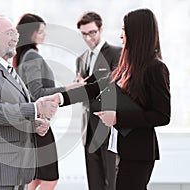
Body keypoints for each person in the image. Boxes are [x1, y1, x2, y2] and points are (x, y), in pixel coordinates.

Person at [44, 8, 170, 190]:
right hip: (120, 148)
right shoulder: (127, 66)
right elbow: (94, 88)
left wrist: (118, 118)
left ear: (137, 32)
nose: (120, 36)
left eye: (124, 30)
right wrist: (59, 97)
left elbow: (162, 115)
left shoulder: (156, 68)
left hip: (138, 154)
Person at [0, 15, 58, 190]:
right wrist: (34, 109)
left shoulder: (8, 70)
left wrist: (33, 124)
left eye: (16, 33)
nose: (16, 38)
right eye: (9, 33)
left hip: (16, 168)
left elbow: (11, 112)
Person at [13, 13, 86, 190]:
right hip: (38, 126)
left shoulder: (24, 55)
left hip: (33, 123)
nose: (44, 35)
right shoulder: (32, 56)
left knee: (37, 178)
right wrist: (68, 89)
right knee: (50, 178)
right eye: (40, 31)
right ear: (31, 33)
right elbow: (36, 92)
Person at [75, 11, 121, 190]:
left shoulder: (116, 53)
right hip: (88, 130)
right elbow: (79, 89)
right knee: (94, 183)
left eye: (92, 32)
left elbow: (115, 88)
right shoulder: (81, 59)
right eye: (84, 34)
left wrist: (86, 87)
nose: (88, 38)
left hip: (108, 128)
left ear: (101, 29)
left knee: (112, 181)